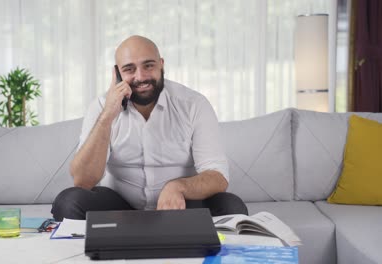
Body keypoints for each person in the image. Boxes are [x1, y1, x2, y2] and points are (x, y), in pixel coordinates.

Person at [51, 35, 248, 220]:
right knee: (68, 202)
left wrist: (178, 187)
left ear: (161, 65)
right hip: (120, 207)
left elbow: (218, 176)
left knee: (231, 206)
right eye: (129, 69)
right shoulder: (102, 107)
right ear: (117, 73)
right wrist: (107, 117)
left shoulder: (193, 104)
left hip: (179, 206)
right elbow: (83, 181)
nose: (141, 77)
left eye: (148, 65)